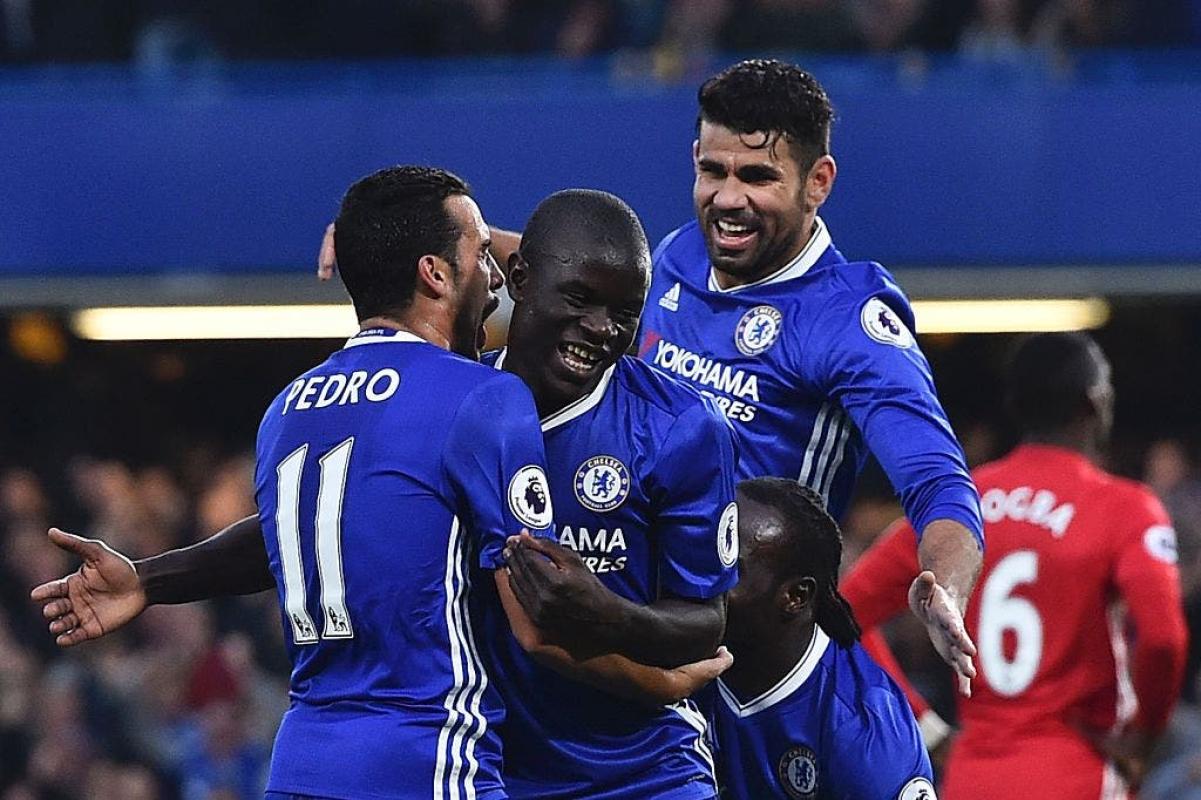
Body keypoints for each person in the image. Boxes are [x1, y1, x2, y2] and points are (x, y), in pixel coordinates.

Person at [35, 188, 742, 799]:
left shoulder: (679, 425)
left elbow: (704, 620)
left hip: (638, 773)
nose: (603, 329)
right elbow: (325, 525)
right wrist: (152, 579)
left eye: (626, 312)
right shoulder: (470, 401)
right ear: (516, 279)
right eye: (581, 300)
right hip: (481, 764)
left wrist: (614, 619)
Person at [315, 58, 981, 687]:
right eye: (713, 171)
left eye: (757, 178)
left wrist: (946, 586)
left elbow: (939, 482)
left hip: (752, 656)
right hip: (646, 621)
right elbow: (563, 271)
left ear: (818, 183)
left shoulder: (850, 323)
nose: (728, 199)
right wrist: (402, 240)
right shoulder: (679, 259)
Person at [840, 332, 1189, 798]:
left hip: (972, 776)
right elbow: (1164, 638)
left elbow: (844, 613)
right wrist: (1144, 736)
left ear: (1016, 406)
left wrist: (925, 728)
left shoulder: (960, 507)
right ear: (1093, 403)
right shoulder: (1125, 508)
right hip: (1076, 771)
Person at [700, 476, 935, 800]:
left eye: (730, 568)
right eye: (707, 556)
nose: (702, 579)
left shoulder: (864, 736)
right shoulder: (682, 650)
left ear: (795, 596)